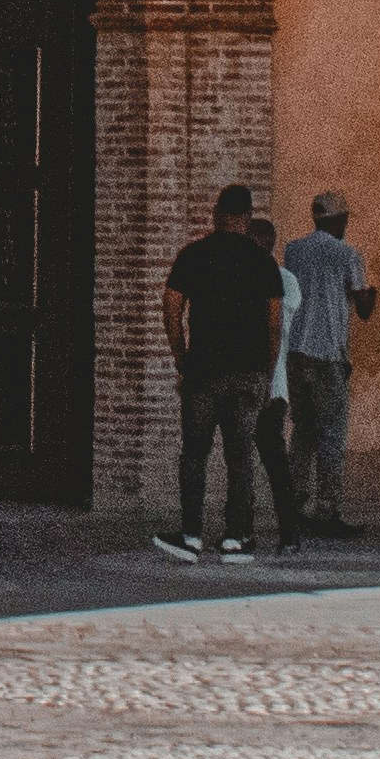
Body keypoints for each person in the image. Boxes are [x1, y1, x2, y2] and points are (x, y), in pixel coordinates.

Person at [161, 183, 294, 562]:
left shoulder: (194, 255)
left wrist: (180, 358)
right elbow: (274, 324)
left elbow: (171, 309)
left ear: (216, 214)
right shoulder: (263, 262)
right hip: (249, 373)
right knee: (240, 456)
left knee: (195, 454)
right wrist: (266, 373)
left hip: (204, 370)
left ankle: (190, 535)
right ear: (248, 218)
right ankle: (238, 537)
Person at [277, 188, 375, 536]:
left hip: (295, 353)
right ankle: (327, 509)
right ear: (342, 220)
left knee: (302, 431)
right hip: (328, 354)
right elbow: (363, 307)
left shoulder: (293, 251)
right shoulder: (348, 254)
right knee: (332, 434)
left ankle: (295, 503)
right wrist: (368, 295)